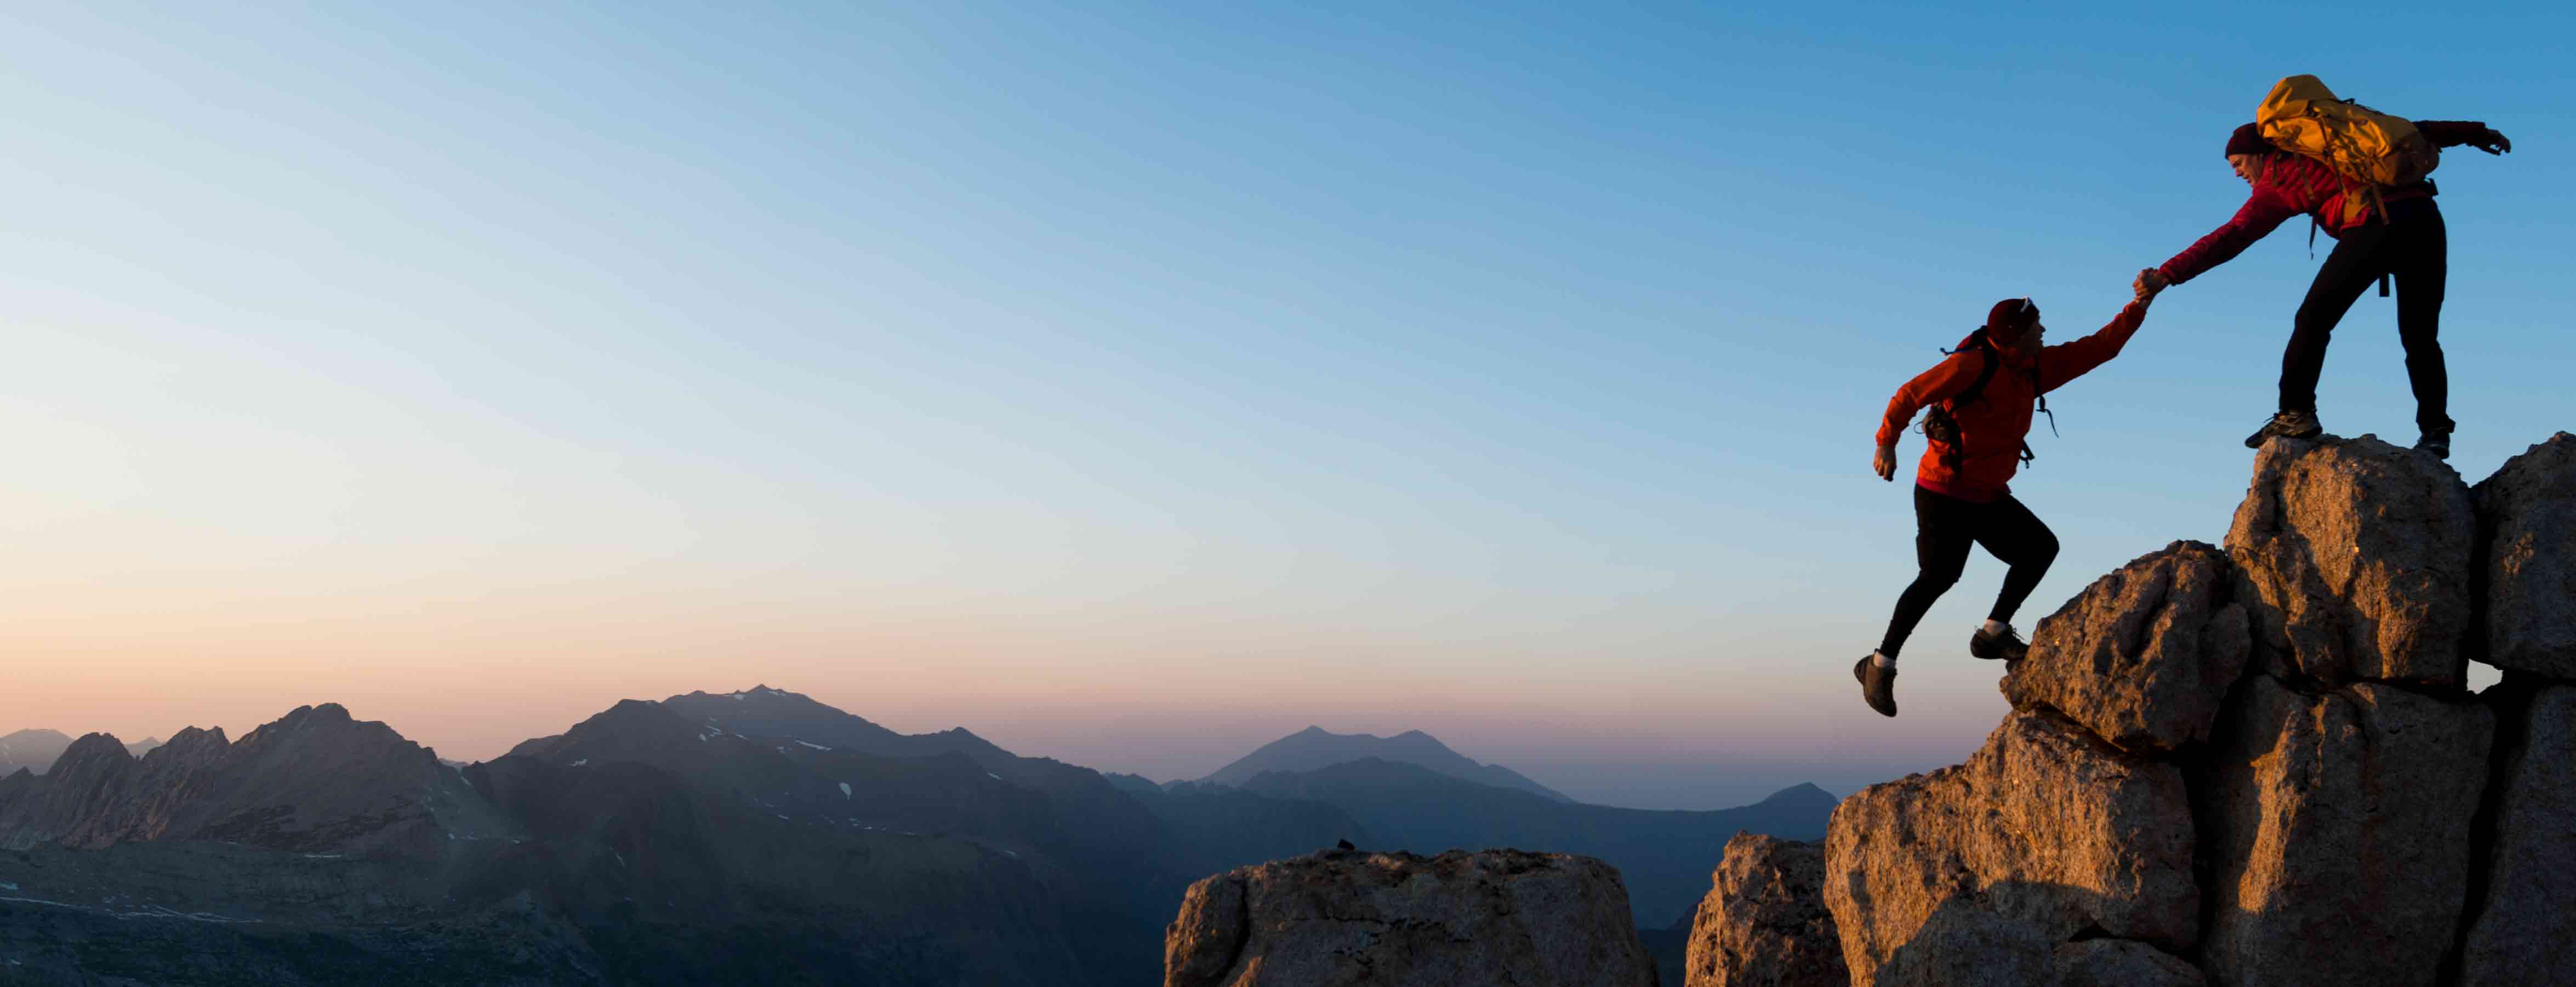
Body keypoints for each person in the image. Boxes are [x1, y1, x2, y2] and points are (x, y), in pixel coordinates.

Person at [1855, 279, 2163, 717]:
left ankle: (1992, 634)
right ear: (2016, 336)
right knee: (1939, 577)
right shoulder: (1972, 366)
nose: (2045, 332)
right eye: (2037, 327)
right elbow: (1909, 395)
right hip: (1942, 491)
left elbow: (2099, 348)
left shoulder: (2034, 367)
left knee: (2039, 548)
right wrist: (1886, 442)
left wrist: (2139, 307)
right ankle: (1879, 665)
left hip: (1987, 494)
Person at [2135, 119, 2511, 459]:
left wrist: (2168, 274)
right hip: (2425, 221)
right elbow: (2418, 130)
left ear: (2260, 155)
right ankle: (2435, 432)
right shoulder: (2341, 143)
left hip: (2376, 226)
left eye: (2237, 164)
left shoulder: (2282, 176)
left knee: (2313, 319)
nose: (2237, 175)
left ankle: (2295, 413)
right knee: (2421, 336)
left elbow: (2233, 236)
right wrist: (2479, 134)